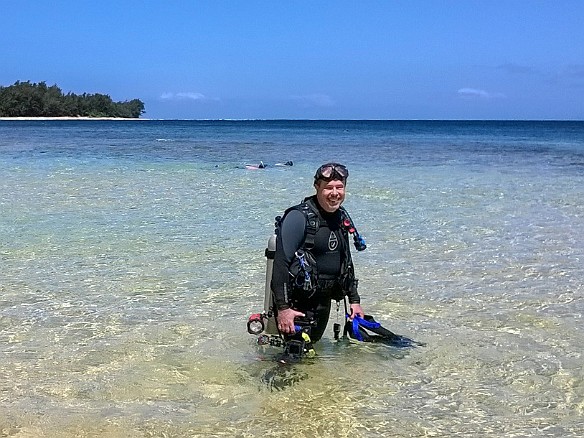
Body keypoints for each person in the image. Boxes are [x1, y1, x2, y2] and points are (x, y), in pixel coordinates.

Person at [270, 162, 365, 344]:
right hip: (297, 305)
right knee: (291, 361)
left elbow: (346, 260)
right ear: (317, 187)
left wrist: (354, 300)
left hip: (324, 301)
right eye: (328, 188)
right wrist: (283, 309)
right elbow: (280, 263)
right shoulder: (298, 217)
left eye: (340, 187)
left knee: (311, 356)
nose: (335, 193)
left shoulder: (341, 216)